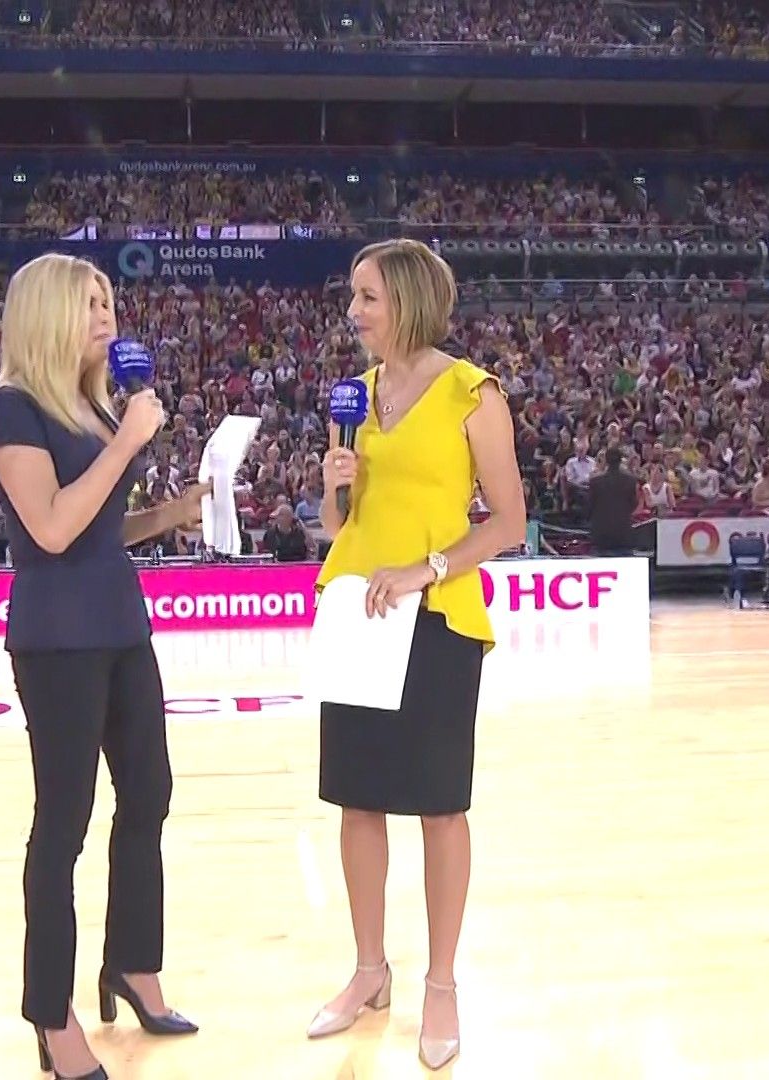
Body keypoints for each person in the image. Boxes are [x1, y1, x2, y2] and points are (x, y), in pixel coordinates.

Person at [0, 252, 212, 1080]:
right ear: (46, 315)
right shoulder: (10, 409)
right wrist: (130, 441)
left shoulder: (95, 406)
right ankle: (51, 1013)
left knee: (149, 795)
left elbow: (100, 528)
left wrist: (169, 515)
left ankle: (133, 966)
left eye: (108, 301)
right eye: (89, 304)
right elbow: (50, 529)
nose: (107, 316)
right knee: (63, 824)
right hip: (58, 637)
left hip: (119, 620)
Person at [309, 238, 526, 1071]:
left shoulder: (473, 392)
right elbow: (340, 526)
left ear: (407, 300)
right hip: (357, 615)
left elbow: (508, 523)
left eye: (367, 296)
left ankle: (441, 983)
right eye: (353, 295)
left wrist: (424, 570)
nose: (353, 311)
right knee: (356, 801)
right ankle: (370, 972)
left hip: (435, 617)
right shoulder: (356, 396)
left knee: (439, 806)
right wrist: (332, 484)